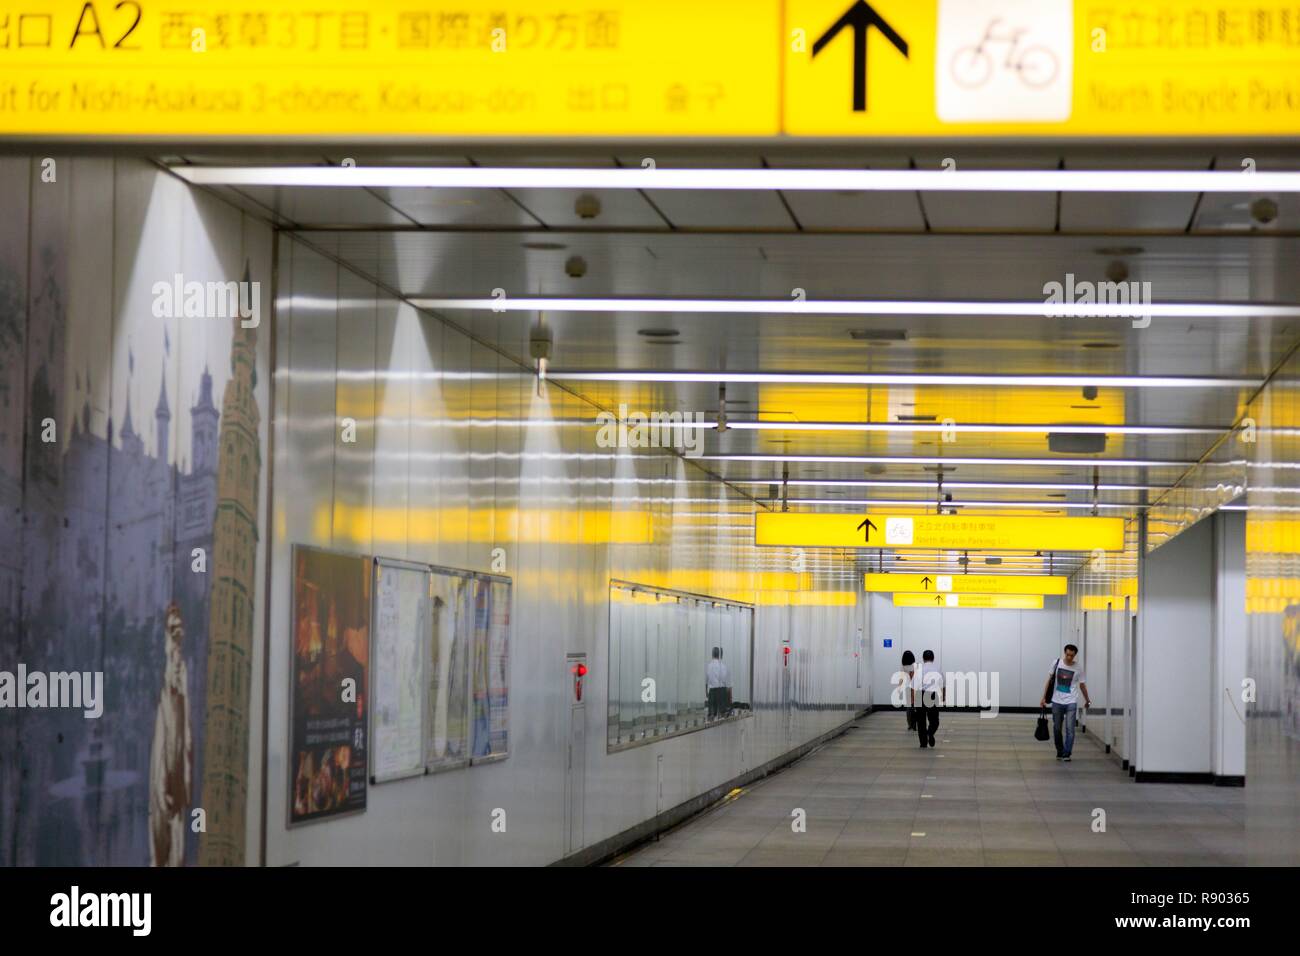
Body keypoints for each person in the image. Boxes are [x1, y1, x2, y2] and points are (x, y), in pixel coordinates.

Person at [1040, 643, 1091, 762]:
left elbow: (1082, 685)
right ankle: (1060, 750)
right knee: (1057, 728)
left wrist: (1087, 700)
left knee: (1070, 729)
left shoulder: (1078, 668)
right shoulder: (1057, 663)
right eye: (1067, 655)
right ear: (1065, 653)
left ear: (1075, 655)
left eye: (1072, 656)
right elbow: (1050, 680)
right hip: (1056, 701)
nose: (1069, 658)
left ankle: (1067, 753)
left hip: (1071, 701)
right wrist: (1043, 698)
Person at [912, 649, 944, 748]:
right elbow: (942, 684)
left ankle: (923, 743)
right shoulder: (937, 669)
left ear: (923, 658)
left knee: (921, 721)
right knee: (934, 720)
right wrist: (943, 697)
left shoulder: (919, 670)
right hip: (933, 695)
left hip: (920, 695)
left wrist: (913, 699)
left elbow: (913, 686)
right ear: (933, 658)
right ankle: (930, 733)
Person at [706, 647, 731, 720]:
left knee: (711, 715)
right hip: (721, 691)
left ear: (712, 654)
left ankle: (711, 717)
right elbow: (727, 685)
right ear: (721, 656)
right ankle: (722, 714)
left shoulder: (709, 666)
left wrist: (706, 692)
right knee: (722, 714)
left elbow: (706, 681)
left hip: (712, 691)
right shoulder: (724, 666)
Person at [900, 650, 917, 731]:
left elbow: (901, 678)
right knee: (916, 707)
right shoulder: (915, 666)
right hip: (915, 688)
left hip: (907, 688)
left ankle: (910, 724)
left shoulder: (903, 667)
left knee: (908, 708)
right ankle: (915, 724)